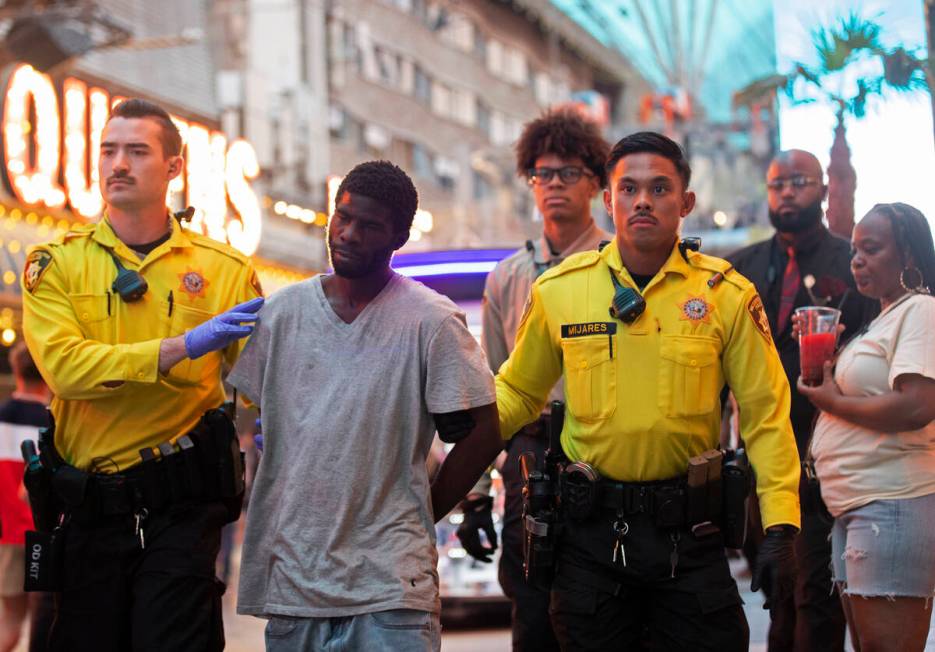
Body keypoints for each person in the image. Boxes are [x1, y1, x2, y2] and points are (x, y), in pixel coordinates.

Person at [494, 131, 802, 650]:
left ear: (686, 202)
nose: (643, 200)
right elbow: (518, 395)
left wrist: (781, 527)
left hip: (691, 539)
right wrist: (453, 429)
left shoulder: (727, 294)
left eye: (660, 189)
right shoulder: (559, 291)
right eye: (629, 188)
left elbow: (765, 414)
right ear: (608, 199)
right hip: (588, 542)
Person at [228, 160, 502, 652]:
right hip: (295, 582)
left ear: (398, 236)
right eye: (342, 217)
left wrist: (424, 512)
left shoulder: (431, 321)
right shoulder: (282, 315)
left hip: (391, 588)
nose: (349, 234)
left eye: (369, 225)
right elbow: (242, 416)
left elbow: (484, 430)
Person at [21, 98, 263, 652]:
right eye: (108, 150)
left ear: (175, 167)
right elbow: (64, 369)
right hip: (89, 510)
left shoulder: (225, 271)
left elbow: (267, 380)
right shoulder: (56, 262)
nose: (118, 164)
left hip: (182, 511)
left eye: (136, 151)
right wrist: (179, 348)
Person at [456, 106, 610, 652]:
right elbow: (489, 390)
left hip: (601, 447)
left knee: (599, 607)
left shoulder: (619, 267)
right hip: (529, 452)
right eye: (543, 174)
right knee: (531, 604)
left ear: (595, 182)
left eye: (569, 173)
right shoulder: (509, 276)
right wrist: (474, 497)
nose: (554, 186)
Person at [726, 149, 876, 651]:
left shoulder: (853, 264)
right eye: (777, 184)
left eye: (799, 181)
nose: (787, 192)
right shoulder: (739, 270)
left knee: (817, 591)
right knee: (776, 591)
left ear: (824, 190)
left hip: (826, 453)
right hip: (758, 459)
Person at [798, 202, 935, 652]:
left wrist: (833, 399)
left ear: (910, 256)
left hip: (892, 502)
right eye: (855, 250)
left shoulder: (921, 309)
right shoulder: (883, 317)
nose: (856, 260)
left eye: (871, 249)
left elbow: (917, 406)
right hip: (856, 507)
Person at [0, 343, 54, 652]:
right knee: (44, 621)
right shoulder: (54, 421)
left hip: (6, 533)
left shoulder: (1, 414)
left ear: (16, 370)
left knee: (9, 622)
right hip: (43, 535)